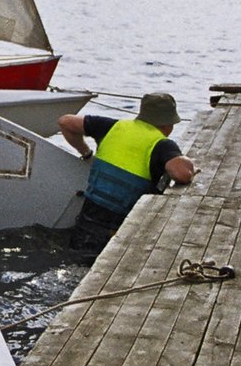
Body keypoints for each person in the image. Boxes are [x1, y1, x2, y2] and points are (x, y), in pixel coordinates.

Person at [58, 92, 196, 261]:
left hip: (86, 219)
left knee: (75, 259)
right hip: (118, 227)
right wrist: (189, 165)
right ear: (169, 124)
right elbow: (181, 173)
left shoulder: (112, 126)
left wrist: (87, 154)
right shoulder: (162, 144)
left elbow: (65, 122)